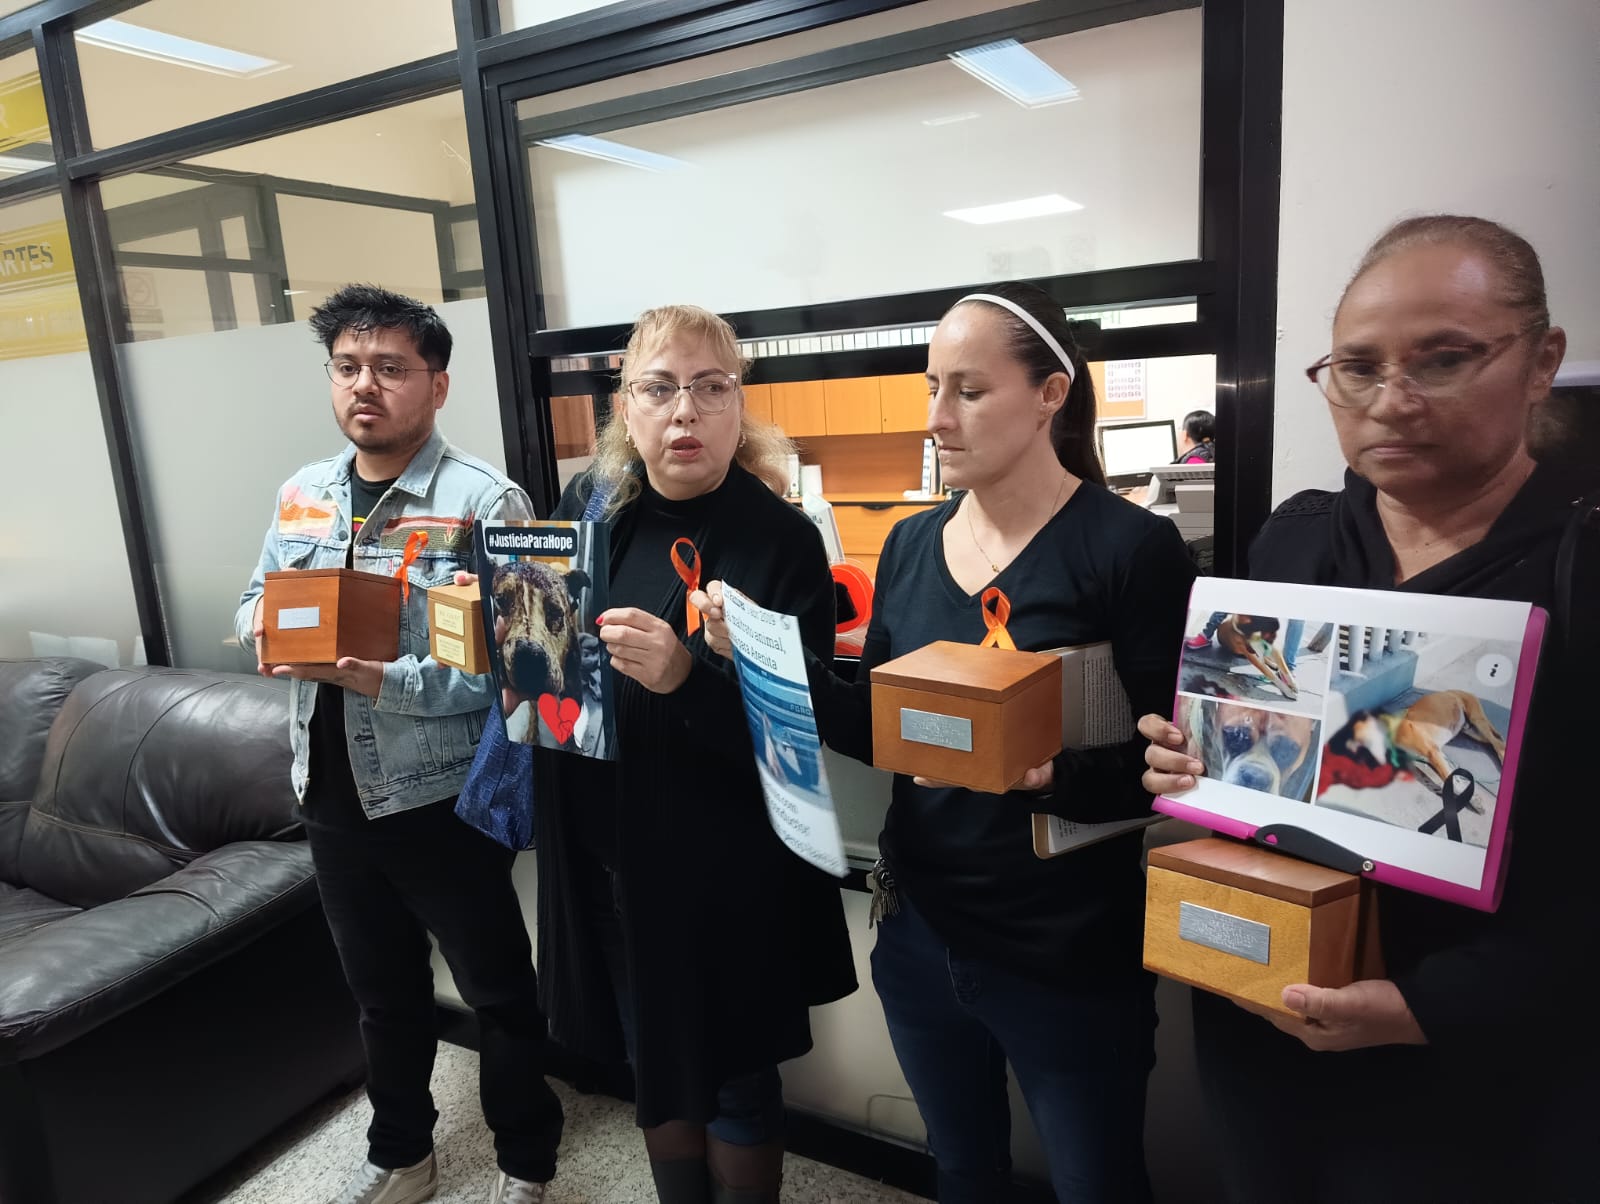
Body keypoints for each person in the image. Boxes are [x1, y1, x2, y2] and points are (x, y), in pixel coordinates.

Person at [1139, 215, 1599, 1203]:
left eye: (1444, 360)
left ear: (1540, 363)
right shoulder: (1295, 540)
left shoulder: (1578, 566)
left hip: (1483, 1076)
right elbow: (1250, 764)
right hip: (1262, 1016)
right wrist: (1190, 765)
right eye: (1357, 367)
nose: (1391, 401)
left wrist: (1429, 1008)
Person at [702, 283, 1197, 1202]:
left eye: (968, 391)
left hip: (1065, 947)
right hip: (921, 933)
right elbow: (880, 727)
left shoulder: (1131, 549)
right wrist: (762, 656)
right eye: (933, 387)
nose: (937, 418)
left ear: (1050, 394)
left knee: (1097, 1183)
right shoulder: (909, 545)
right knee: (962, 1170)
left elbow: (1167, 767)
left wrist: (1049, 774)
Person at [236, 284, 562, 1204]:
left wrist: (387, 680)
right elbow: (255, 598)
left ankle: (527, 1160)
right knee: (382, 996)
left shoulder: (490, 500)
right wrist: (266, 630)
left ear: (437, 384)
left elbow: (530, 665)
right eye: (347, 367)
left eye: (389, 367)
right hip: (329, 794)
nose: (364, 386)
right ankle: (402, 1153)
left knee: (498, 992)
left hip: (442, 798)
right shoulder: (303, 493)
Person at [530, 305, 856, 1204]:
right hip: (608, 855)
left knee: (736, 1079)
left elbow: (798, 732)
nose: (686, 412)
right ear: (625, 409)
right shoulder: (592, 513)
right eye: (660, 388)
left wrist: (688, 677)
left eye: (712, 387)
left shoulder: (781, 540)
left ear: (738, 406)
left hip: (725, 869)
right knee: (655, 1067)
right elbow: (554, 674)